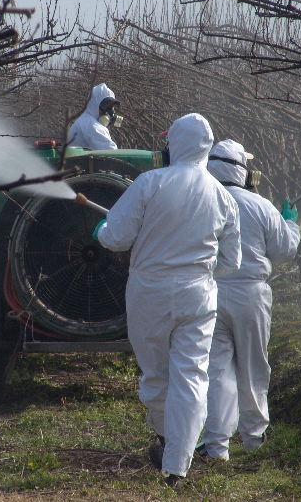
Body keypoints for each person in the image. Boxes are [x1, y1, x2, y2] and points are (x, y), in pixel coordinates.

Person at [92, 114, 241, 485]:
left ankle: (165, 438)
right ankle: (177, 464)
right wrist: (200, 272)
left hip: (150, 292)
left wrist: (102, 231)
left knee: (156, 374)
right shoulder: (223, 196)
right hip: (199, 293)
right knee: (192, 376)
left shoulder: (150, 183)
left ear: (172, 144)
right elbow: (231, 262)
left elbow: (116, 238)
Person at [196, 139, 300, 461]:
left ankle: (217, 446)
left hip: (209, 293)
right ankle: (254, 440)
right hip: (251, 296)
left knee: (216, 371)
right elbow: (284, 251)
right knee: (253, 367)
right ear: (242, 171)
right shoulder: (260, 205)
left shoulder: (201, 201)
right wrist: (291, 223)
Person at [66, 83, 120, 150]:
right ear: (94, 105)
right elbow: (112, 152)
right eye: (107, 107)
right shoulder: (92, 125)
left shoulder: (86, 119)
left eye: (112, 107)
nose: (111, 112)